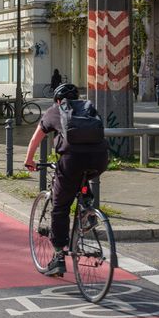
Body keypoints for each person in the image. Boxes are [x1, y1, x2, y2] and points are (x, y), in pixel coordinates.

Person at [24, 83, 109, 277]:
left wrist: (29, 160)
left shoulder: (55, 110)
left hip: (72, 161)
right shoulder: (88, 108)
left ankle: (58, 257)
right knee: (83, 176)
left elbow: (36, 138)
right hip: (100, 159)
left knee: (60, 207)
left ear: (57, 100)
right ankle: (87, 210)